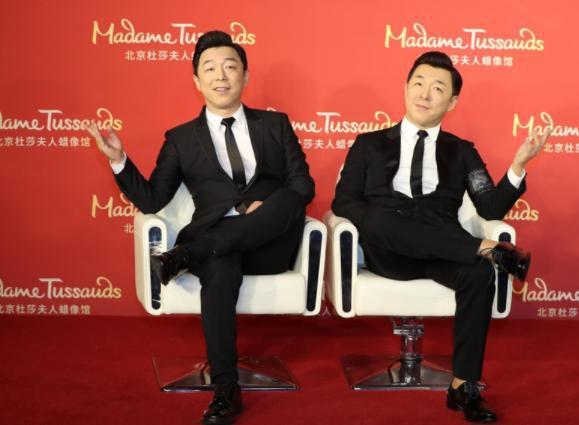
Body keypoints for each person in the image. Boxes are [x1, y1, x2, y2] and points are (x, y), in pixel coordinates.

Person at [87, 30, 314, 425]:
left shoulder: (275, 125)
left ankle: (186, 255)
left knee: (289, 198)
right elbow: (153, 200)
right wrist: (119, 160)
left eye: (230, 66)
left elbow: (303, 185)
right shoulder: (180, 139)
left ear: (245, 75)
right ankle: (226, 391)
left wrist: (266, 207)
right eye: (209, 68)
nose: (220, 75)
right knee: (221, 265)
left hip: (269, 243)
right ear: (196, 80)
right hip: (218, 247)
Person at [332, 51, 549, 423]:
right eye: (418, 83)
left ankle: (463, 387)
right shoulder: (368, 144)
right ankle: (489, 249)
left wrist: (518, 166)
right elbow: (344, 201)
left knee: (479, 273)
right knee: (380, 220)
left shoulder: (462, 151)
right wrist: (373, 221)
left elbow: (490, 207)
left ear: (452, 102)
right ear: (405, 88)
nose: (425, 93)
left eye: (437, 88)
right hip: (389, 251)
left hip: (442, 252)